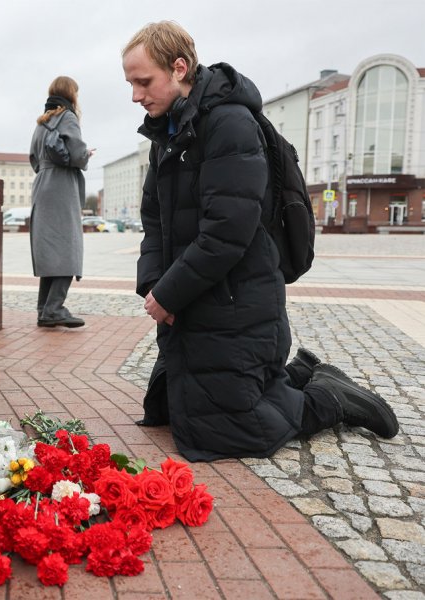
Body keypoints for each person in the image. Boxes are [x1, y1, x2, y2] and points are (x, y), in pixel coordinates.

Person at [122, 21, 398, 461]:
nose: (136, 95)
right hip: (197, 299)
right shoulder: (167, 131)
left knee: (236, 431)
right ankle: (300, 375)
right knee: (175, 411)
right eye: (130, 84)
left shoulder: (229, 123)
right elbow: (153, 219)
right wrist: (154, 284)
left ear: (178, 68)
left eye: (143, 81)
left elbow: (229, 230)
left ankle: (335, 400)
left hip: (238, 298)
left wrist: (171, 292)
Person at [29, 76, 95, 328]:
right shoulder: (67, 117)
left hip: (43, 185)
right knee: (67, 246)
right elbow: (77, 154)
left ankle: (43, 309)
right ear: (72, 94)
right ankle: (54, 309)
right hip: (61, 187)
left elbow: (33, 159)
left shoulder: (41, 122)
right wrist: (85, 156)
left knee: (49, 249)